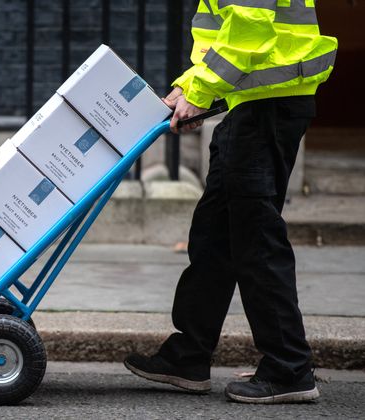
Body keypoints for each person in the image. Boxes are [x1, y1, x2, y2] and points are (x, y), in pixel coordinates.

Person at [124, 0, 337, 404]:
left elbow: (250, 30)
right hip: (253, 105)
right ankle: (190, 355)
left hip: (268, 108)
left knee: (256, 239)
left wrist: (202, 91)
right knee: (213, 237)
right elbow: (226, 37)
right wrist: (190, 86)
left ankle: (289, 368)